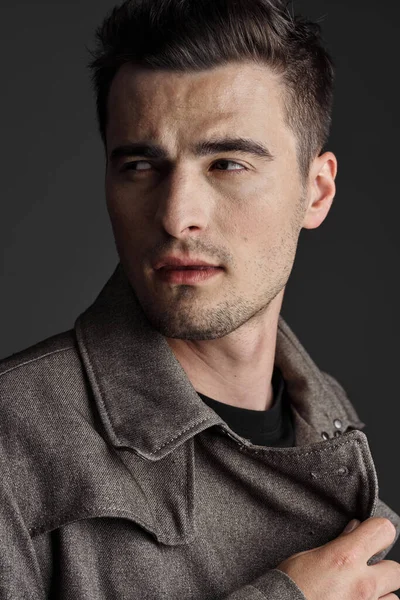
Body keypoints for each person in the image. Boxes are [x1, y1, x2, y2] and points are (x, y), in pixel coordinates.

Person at [1, 0, 400, 598]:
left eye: (227, 163)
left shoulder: (329, 423)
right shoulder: (13, 437)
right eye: (140, 165)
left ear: (316, 194)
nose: (176, 214)